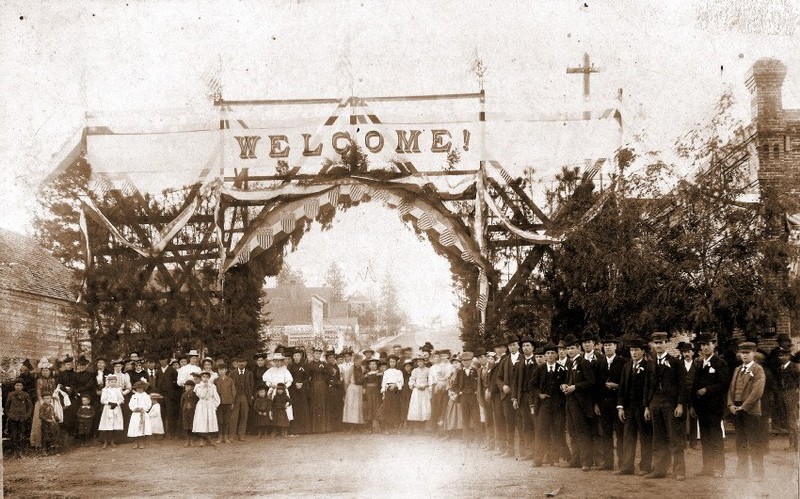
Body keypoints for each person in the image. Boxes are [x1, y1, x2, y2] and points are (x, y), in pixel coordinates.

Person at [644, 331, 689, 481]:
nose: (658, 345)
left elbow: (683, 385)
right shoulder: (650, 363)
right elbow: (647, 386)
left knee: (674, 437)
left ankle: (679, 470)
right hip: (654, 402)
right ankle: (659, 470)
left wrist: (680, 404)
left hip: (671, 403)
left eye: (661, 342)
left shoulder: (676, 362)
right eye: (655, 343)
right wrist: (646, 406)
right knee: (658, 438)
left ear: (666, 344)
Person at [691, 333, 729, 478]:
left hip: (714, 408)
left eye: (708, 344)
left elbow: (724, 384)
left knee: (716, 439)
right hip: (701, 408)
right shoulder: (699, 363)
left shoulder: (720, 363)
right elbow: (694, 386)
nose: (705, 347)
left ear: (714, 345)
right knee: (705, 439)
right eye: (702, 345)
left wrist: (707, 390)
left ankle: (719, 468)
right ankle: (707, 467)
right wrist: (693, 405)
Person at [727, 341, 767, 481]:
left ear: (753, 354)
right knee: (740, 442)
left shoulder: (758, 370)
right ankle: (742, 472)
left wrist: (744, 406)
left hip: (750, 410)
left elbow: (758, 391)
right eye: (742, 353)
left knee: (754, 442)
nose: (744, 355)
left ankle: (758, 473)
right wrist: (730, 404)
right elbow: (731, 388)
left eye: (747, 353)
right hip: (736, 410)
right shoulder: (737, 369)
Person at [615, 338, 653, 476]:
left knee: (645, 437)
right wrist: (620, 407)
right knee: (628, 437)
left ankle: (646, 466)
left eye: (636, 350)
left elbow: (649, 388)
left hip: (642, 407)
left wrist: (647, 406)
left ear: (642, 351)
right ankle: (627, 467)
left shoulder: (648, 366)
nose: (634, 353)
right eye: (632, 350)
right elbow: (621, 388)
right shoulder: (626, 366)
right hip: (629, 407)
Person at [561, 334, 596, 471]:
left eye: (572, 348)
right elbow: (570, 381)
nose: (569, 351)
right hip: (570, 402)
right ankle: (575, 459)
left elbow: (591, 382)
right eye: (568, 348)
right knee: (572, 431)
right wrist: (564, 385)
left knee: (582, 432)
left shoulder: (584, 362)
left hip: (581, 403)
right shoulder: (571, 363)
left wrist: (575, 387)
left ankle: (586, 461)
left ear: (578, 348)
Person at [532, 342, 568, 467]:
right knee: (541, 431)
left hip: (558, 406)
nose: (550, 355)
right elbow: (532, 386)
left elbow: (566, 385)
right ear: (545, 355)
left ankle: (555, 458)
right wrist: (539, 395)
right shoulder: (539, 369)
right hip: (544, 404)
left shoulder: (562, 369)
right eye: (548, 353)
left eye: (553, 353)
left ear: (557, 355)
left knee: (557, 430)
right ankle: (538, 459)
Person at [595, 335, 626, 470]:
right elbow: (595, 385)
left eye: (610, 345)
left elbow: (626, 385)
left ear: (616, 346)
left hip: (617, 403)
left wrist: (617, 386)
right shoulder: (599, 363)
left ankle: (622, 463)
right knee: (606, 434)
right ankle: (608, 463)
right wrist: (596, 403)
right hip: (603, 404)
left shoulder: (623, 362)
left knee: (620, 434)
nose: (607, 347)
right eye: (605, 345)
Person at [515, 335, 538, 460]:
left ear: (533, 347)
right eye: (523, 346)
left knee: (536, 424)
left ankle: (540, 452)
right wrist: (515, 398)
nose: (525, 348)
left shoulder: (537, 361)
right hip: (523, 397)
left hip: (533, 397)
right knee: (526, 424)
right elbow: (516, 382)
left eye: (528, 345)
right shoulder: (520, 363)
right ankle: (530, 451)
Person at [30, 358, 58, 449]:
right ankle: (39, 443)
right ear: (41, 372)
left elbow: (54, 390)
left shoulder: (53, 380)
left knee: (53, 419)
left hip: (51, 400)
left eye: (47, 370)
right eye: (43, 371)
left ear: (50, 371)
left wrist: (52, 399)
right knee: (40, 422)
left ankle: (53, 443)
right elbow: (38, 393)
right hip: (41, 401)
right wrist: (43, 403)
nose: (45, 372)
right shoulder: (39, 381)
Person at [776, 348, 800, 451]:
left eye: (784, 355)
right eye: (780, 356)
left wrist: (797, 390)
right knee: (788, 419)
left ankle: (795, 445)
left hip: (791, 393)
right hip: (783, 394)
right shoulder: (780, 368)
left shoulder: (794, 367)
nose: (781, 357)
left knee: (792, 419)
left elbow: (798, 380)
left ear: (788, 356)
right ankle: (792, 444)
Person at [677, 341, 699, 450]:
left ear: (693, 353)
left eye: (688, 352)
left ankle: (693, 443)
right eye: (684, 352)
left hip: (693, 395)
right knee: (681, 418)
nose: (686, 354)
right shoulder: (678, 364)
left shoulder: (697, 365)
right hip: (681, 394)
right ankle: (682, 442)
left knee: (693, 417)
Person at [5, 379, 33, 458]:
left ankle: (21, 452)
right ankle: (15, 452)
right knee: (13, 435)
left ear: (23, 387)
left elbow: (30, 406)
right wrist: (9, 415)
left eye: (20, 385)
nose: (18, 387)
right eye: (17, 385)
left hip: (22, 418)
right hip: (13, 418)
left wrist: (27, 415)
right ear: (14, 386)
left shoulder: (26, 395)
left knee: (22, 435)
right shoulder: (11, 395)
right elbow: (7, 406)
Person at [154, 355, 180, 437]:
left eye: (163, 359)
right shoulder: (158, 371)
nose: (162, 361)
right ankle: (163, 432)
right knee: (162, 414)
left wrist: (173, 394)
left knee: (170, 414)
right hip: (161, 395)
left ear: (167, 360)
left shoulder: (172, 370)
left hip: (170, 396)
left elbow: (176, 383)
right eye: (160, 360)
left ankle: (171, 433)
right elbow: (156, 383)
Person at [193, 371, 220, 447]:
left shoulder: (213, 386)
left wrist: (215, 405)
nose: (205, 379)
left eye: (207, 377)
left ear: (209, 378)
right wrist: (205, 388)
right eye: (203, 377)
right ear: (201, 378)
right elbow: (201, 396)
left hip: (210, 405)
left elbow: (216, 396)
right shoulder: (198, 386)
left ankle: (208, 439)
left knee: (209, 422)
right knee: (202, 422)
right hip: (202, 405)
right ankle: (202, 439)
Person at [229, 356, 253, 442]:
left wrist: (250, 396)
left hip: (245, 396)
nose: (242, 363)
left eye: (243, 361)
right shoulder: (232, 373)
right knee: (234, 416)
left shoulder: (249, 373)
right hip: (235, 397)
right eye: (240, 362)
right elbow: (229, 386)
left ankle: (241, 434)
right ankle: (232, 435)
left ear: (246, 363)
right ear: (237, 363)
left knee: (244, 415)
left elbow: (251, 386)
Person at [288, 349, 311, 435]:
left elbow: (307, 377)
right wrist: (295, 383)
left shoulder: (305, 366)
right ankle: (294, 430)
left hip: (303, 389)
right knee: (295, 408)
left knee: (303, 408)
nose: (297, 357)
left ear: (301, 356)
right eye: (295, 356)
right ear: (293, 357)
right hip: (293, 390)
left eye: (298, 356)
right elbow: (289, 377)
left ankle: (304, 429)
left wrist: (302, 383)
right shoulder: (290, 366)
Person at [98, 374, 125, 448]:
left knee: (115, 425)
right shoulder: (105, 390)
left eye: (114, 382)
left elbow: (121, 399)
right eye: (110, 382)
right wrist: (109, 403)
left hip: (116, 408)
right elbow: (102, 400)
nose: (112, 383)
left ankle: (113, 441)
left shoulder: (118, 390)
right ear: (108, 382)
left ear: (116, 382)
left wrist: (116, 404)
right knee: (107, 425)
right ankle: (106, 442)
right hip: (108, 408)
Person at [381, 355, 405, 434]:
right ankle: (387, 427)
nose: (392, 363)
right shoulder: (386, 372)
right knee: (388, 408)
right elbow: (384, 382)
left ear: (396, 362)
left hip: (395, 391)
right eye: (391, 362)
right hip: (388, 391)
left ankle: (396, 427)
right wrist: (384, 390)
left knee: (395, 408)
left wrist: (395, 385)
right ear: (389, 362)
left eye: (394, 362)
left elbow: (401, 382)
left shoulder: (399, 372)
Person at [407, 355, 431, 431]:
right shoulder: (415, 370)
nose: (420, 363)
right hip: (417, 390)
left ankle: (424, 426)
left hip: (425, 390)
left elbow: (430, 380)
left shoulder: (428, 370)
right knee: (416, 407)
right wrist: (416, 386)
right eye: (418, 361)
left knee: (424, 406)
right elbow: (412, 380)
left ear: (424, 362)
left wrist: (426, 385)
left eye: (421, 361)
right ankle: (414, 426)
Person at [443, 355, 464, 438]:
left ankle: (461, 433)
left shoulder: (462, 372)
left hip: (460, 395)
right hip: (452, 395)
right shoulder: (452, 373)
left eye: (456, 363)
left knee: (460, 414)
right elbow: (449, 384)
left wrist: (457, 393)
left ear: (460, 363)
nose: (455, 365)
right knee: (450, 413)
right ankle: (449, 433)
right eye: (453, 363)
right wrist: (450, 392)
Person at [127, 380, 153, 448]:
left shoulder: (146, 396)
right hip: (135, 414)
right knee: (136, 428)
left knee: (143, 428)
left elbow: (149, 404)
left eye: (141, 388)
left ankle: (142, 443)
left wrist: (143, 408)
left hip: (143, 413)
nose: (139, 389)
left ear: (144, 388)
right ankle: (136, 442)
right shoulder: (134, 396)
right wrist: (135, 408)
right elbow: (130, 404)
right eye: (138, 388)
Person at [342, 355, 365, 429]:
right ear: (354, 361)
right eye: (357, 361)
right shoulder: (351, 369)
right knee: (352, 407)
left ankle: (358, 425)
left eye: (360, 361)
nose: (359, 362)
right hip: (352, 388)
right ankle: (352, 426)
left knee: (359, 406)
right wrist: (346, 391)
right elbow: (346, 380)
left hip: (360, 388)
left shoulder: (363, 368)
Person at [214, 363, 235, 444]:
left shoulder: (230, 380)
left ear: (226, 370)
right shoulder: (216, 380)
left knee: (226, 420)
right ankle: (220, 436)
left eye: (223, 370)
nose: (221, 371)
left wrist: (232, 402)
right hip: (219, 403)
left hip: (228, 402)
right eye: (219, 370)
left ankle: (226, 436)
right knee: (220, 420)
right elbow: (213, 392)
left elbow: (233, 391)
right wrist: (215, 403)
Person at [363, 357, 383, 433]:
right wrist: (364, 388)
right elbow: (364, 383)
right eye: (370, 364)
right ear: (369, 366)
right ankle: (369, 428)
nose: (372, 365)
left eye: (374, 364)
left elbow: (380, 383)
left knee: (377, 407)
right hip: (369, 392)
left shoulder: (379, 374)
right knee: (369, 407)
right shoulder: (367, 374)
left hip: (376, 391)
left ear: (376, 365)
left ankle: (380, 427)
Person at [180, 380, 198, 447]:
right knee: (186, 426)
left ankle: (192, 440)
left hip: (192, 412)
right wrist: (184, 409)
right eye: (185, 386)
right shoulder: (184, 395)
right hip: (185, 412)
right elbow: (181, 404)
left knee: (191, 426)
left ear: (192, 387)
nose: (186, 387)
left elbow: (196, 403)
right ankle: (187, 440)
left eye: (188, 386)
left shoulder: (195, 395)